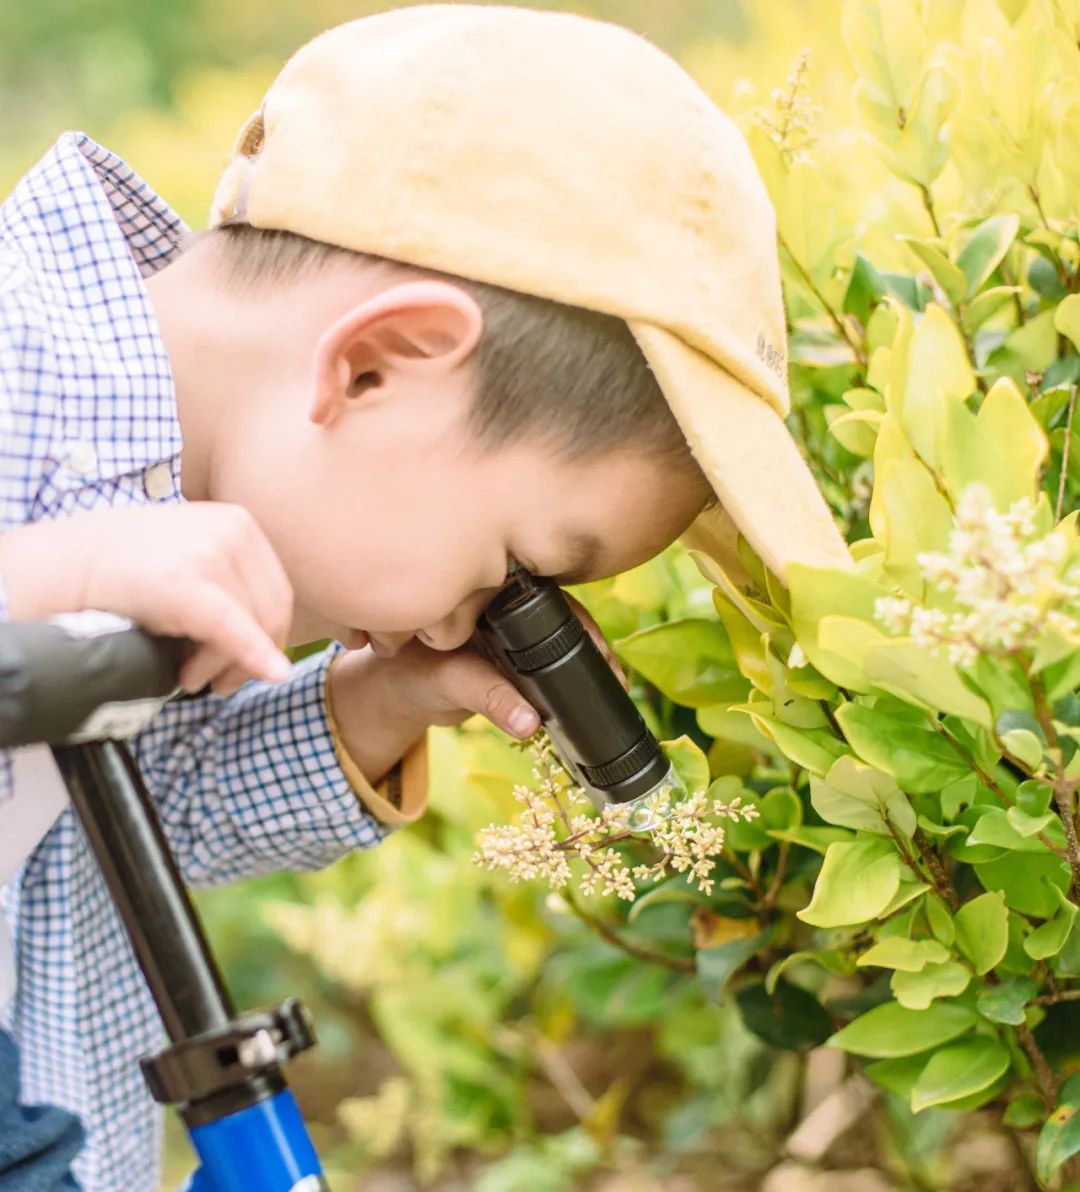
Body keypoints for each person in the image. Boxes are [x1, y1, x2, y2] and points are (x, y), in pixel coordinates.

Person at [0, 5, 850, 1189]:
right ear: (375, 365)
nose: (468, 621)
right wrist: (43, 586)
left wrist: (376, 704)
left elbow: (115, 828)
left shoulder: (162, 483)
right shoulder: (17, 372)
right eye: (514, 568)